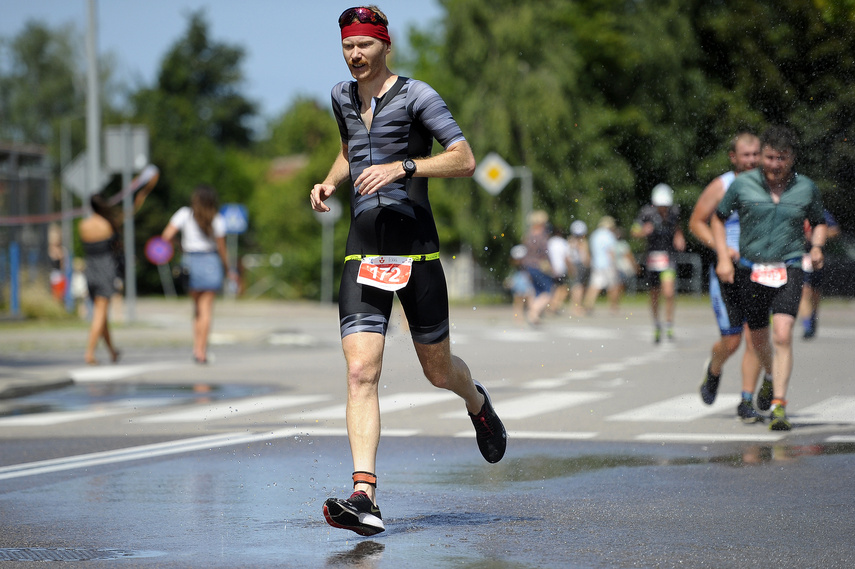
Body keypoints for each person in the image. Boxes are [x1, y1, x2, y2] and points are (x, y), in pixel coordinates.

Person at [309, 5, 506, 537]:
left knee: (437, 372)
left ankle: (477, 401)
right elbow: (349, 149)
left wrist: (404, 166)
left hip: (415, 253)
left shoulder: (419, 96)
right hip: (363, 253)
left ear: (385, 45)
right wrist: (330, 181)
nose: (355, 55)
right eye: (348, 46)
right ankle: (364, 495)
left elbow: (464, 158)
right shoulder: (340, 97)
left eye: (365, 45)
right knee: (360, 371)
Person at [712, 125, 827, 431]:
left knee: (782, 334)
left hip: (789, 266)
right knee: (759, 339)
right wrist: (723, 256)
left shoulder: (806, 188)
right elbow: (717, 219)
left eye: (782, 158)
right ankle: (770, 375)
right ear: (762, 156)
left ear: (792, 158)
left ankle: (778, 405)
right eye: (770, 157)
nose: (775, 165)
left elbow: (819, 222)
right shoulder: (742, 184)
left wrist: (816, 246)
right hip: (751, 269)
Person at [688, 132, 773, 423]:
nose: (751, 160)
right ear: (733, 157)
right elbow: (696, 222)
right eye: (745, 155)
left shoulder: (770, 185)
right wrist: (723, 249)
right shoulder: (722, 185)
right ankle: (713, 370)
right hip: (728, 271)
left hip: (759, 270)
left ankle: (746, 401)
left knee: (755, 337)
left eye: (756, 154)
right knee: (732, 341)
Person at [78, 184, 155, 365]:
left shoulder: (83, 225)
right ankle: (89, 353)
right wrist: (142, 194)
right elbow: (129, 214)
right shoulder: (107, 224)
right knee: (100, 313)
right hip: (105, 269)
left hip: (90, 269)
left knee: (101, 314)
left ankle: (112, 351)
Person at [162, 185, 236, 365]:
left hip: (190, 262)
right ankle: (202, 351)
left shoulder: (184, 214)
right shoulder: (217, 219)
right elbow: (222, 248)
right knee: (206, 310)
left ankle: (196, 348)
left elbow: (166, 236)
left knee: (196, 310)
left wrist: (180, 246)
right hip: (210, 261)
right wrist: (229, 269)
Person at [631, 183, 686, 342]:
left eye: (665, 205)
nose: (663, 208)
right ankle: (656, 324)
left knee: (668, 292)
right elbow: (634, 231)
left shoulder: (674, 212)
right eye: (660, 205)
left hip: (668, 257)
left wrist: (679, 236)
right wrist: (643, 231)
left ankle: (669, 324)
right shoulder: (646, 213)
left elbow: (677, 228)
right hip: (652, 258)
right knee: (654, 294)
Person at [799, 210, 840, 339]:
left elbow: (835, 231)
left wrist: (818, 237)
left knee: (815, 291)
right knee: (805, 290)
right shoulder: (795, 209)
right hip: (801, 256)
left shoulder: (821, 212)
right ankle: (807, 326)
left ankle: (813, 317)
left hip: (817, 256)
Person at [519, 210, 555, 325]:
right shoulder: (541, 236)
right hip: (538, 266)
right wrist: (551, 266)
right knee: (548, 292)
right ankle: (532, 313)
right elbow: (546, 253)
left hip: (528, 266)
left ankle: (534, 317)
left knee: (537, 291)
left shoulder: (528, 235)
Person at [583, 216, 619, 313]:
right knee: (612, 285)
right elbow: (610, 251)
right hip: (608, 264)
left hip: (597, 263)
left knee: (595, 285)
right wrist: (614, 263)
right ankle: (613, 306)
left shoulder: (595, 235)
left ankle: (588, 304)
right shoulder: (609, 235)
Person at [611, 228, 639, 313]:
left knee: (616, 286)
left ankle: (614, 303)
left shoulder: (613, 244)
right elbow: (629, 256)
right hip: (622, 268)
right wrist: (635, 266)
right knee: (620, 286)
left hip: (615, 267)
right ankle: (615, 304)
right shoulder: (623, 244)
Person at [566, 220, 590, 316]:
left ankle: (574, 306)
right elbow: (585, 256)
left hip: (572, 264)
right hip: (579, 265)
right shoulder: (582, 242)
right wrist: (588, 263)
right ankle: (577, 307)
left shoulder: (570, 240)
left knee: (574, 286)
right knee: (579, 287)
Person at [547, 225, 572, 315]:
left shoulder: (549, 242)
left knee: (553, 288)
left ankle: (551, 305)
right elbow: (566, 258)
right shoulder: (563, 243)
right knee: (563, 288)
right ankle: (554, 306)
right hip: (560, 269)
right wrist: (571, 269)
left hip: (550, 268)